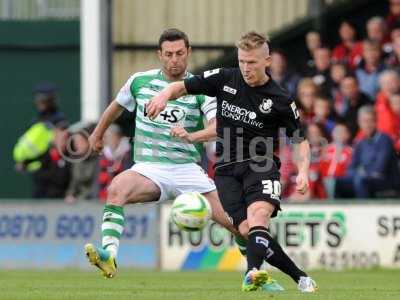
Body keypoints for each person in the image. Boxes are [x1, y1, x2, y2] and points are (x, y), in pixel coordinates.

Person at [83, 28, 283, 289]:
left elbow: (217, 127)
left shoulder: (201, 90)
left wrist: (192, 135)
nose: (174, 59)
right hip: (149, 169)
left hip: (188, 171)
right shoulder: (139, 82)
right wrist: (97, 134)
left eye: (179, 53)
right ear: (159, 55)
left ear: (188, 53)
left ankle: (257, 275)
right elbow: (116, 106)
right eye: (168, 54)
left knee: (242, 225)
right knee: (117, 188)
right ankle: (110, 255)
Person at [147, 31, 317, 293]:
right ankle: (301, 278)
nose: (246, 68)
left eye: (252, 62)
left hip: (260, 164)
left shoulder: (280, 99)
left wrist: (303, 171)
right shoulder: (225, 77)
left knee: (259, 216)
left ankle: (252, 272)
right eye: (242, 61)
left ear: (267, 61)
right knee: (250, 230)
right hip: (225, 169)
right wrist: (163, 96)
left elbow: (300, 140)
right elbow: (181, 86)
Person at [335, 106, 400, 198]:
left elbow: (379, 169)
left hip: (387, 181)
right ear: (359, 123)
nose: (368, 125)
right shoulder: (360, 143)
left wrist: (361, 173)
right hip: (365, 178)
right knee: (339, 182)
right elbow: (351, 168)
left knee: (361, 181)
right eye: (365, 121)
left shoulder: (385, 140)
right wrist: (358, 174)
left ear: (376, 122)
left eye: (371, 121)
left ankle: (362, 211)